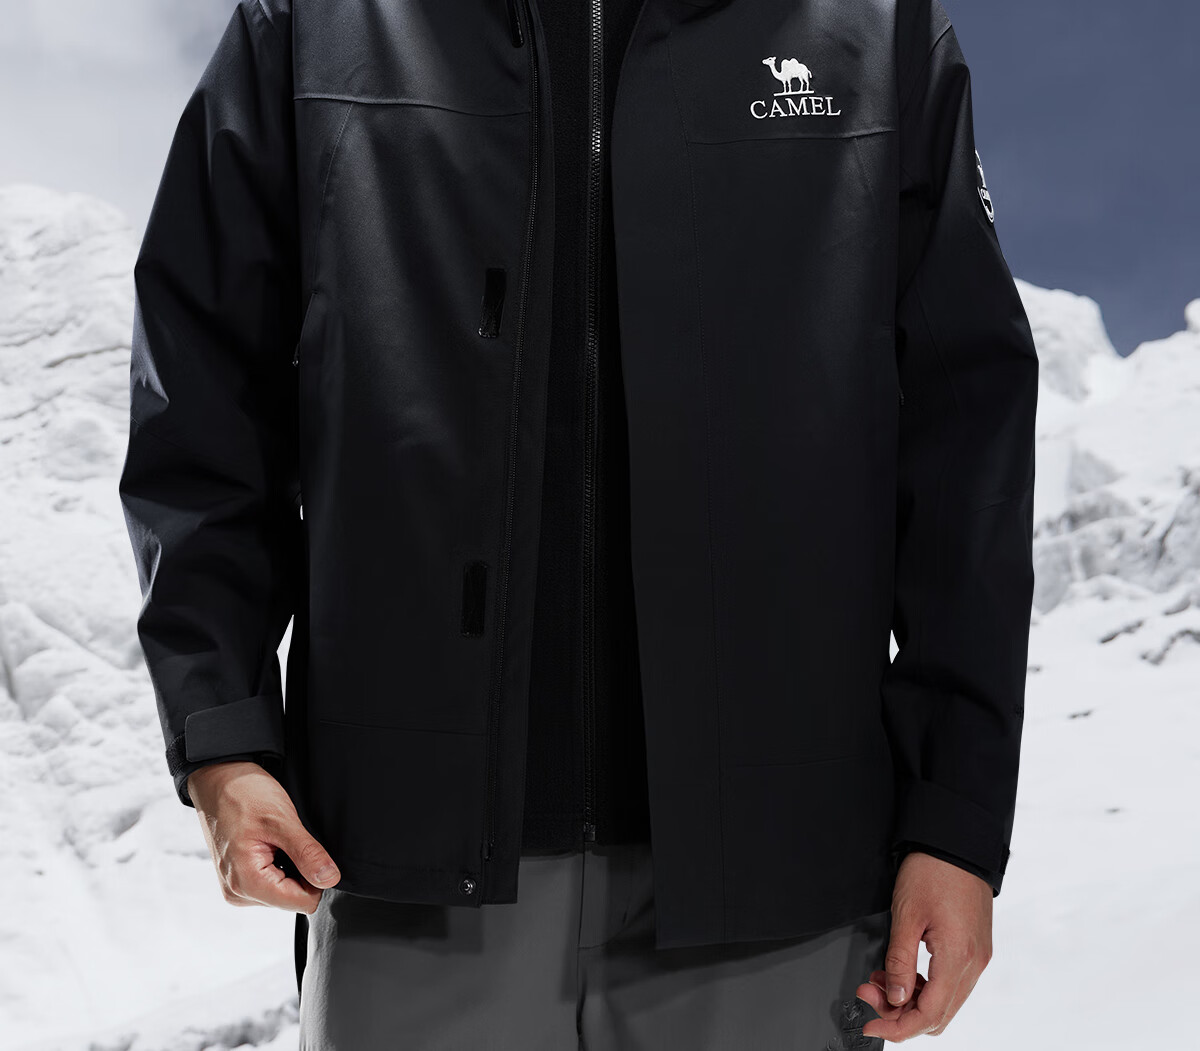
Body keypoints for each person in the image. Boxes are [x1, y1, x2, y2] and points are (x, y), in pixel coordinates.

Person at [118, 0, 1038, 1047]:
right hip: (409, 877)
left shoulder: (875, 28)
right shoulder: (313, 23)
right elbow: (201, 394)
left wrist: (956, 819)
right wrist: (224, 740)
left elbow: (967, 436)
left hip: (781, 881)